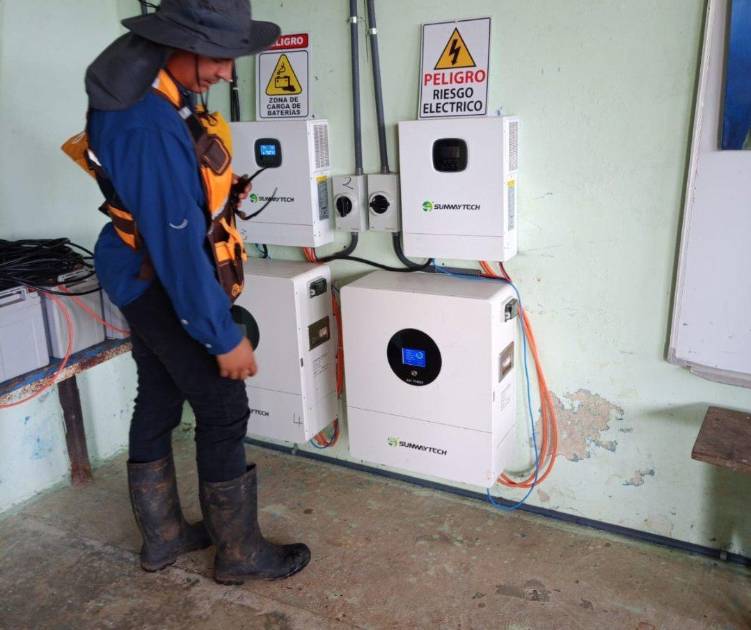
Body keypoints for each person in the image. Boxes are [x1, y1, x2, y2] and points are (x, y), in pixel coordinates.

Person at [78, 0, 310, 585]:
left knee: (158, 393)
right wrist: (221, 335)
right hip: (155, 278)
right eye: (221, 58)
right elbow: (177, 248)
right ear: (180, 43)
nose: (227, 73)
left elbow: (174, 207)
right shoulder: (145, 122)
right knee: (223, 406)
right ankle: (239, 554)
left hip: (137, 270)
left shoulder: (157, 87)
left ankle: (164, 538)